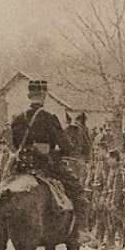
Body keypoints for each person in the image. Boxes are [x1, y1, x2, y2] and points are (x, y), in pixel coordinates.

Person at [8, 79, 90, 233]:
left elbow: (14, 144)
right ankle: (81, 231)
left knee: (3, 185)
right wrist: (58, 151)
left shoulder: (18, 119)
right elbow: (66, 147)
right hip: (45, 164)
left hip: (22, 165)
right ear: (44, 96)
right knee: (78, 191)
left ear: (28, 95)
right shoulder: (49, 118)